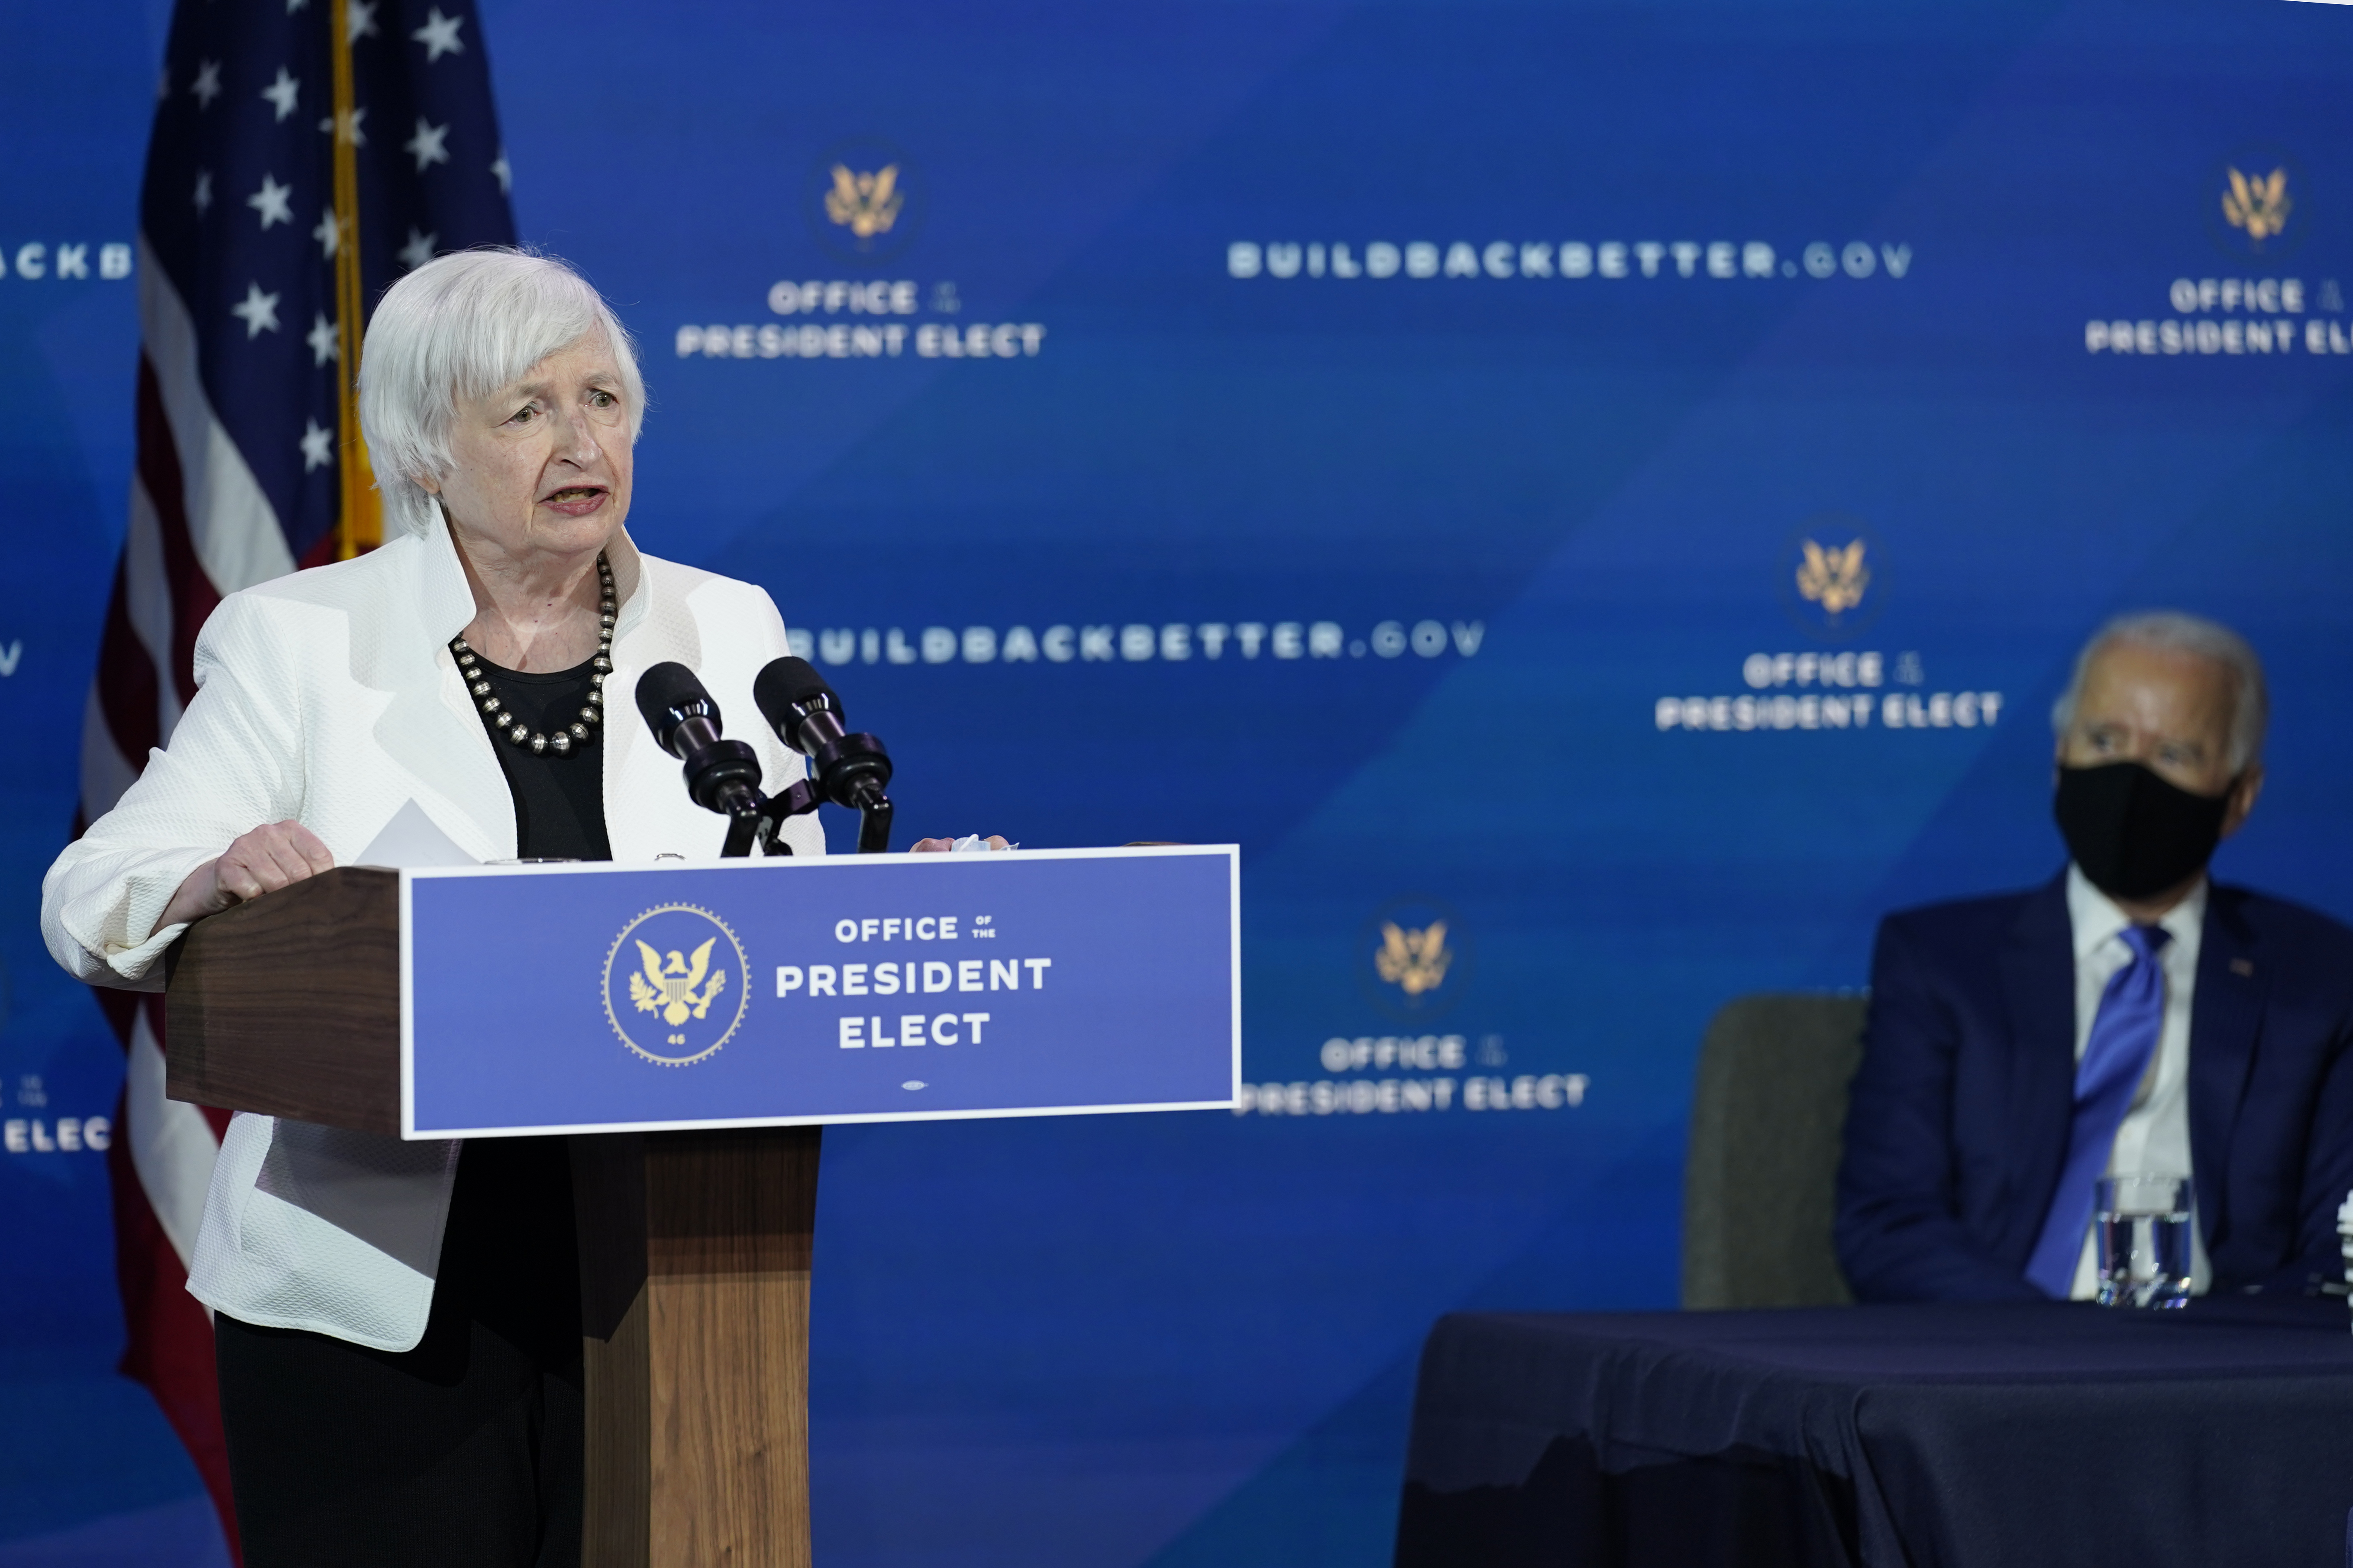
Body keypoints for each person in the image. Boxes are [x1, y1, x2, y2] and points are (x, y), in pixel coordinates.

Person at [40, 249, 985, 1565]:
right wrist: (214, 877)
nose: (581, 438)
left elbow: (775, 922)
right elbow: (93, 891)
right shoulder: (301, 639)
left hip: (675, 1275)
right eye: (526, 410)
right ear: (426, 448)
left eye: (602, 399)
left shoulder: (724, 626)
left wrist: (898, 908)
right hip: (375, 1297)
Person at [1835, 610, 2353, 1303]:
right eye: (2104, 740)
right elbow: (1886, 1223)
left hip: (2220, 1376)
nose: (2130, 781)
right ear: (2059, 760)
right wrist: (2051, 1345)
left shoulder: (2319, 979)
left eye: (2172, 755)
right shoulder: (1940, 962)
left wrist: (2213, 1349)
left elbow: (2338, 1247)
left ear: (2239, 798)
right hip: (1995, 1369)